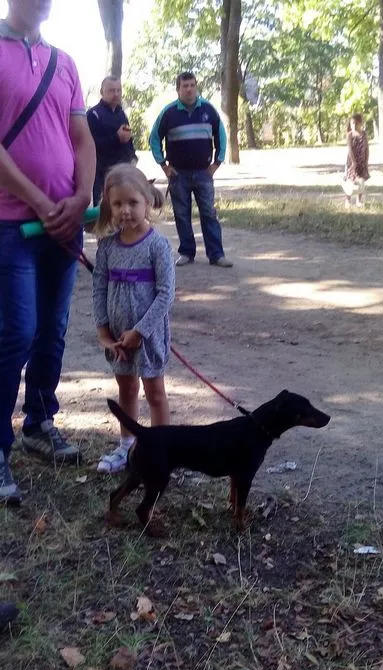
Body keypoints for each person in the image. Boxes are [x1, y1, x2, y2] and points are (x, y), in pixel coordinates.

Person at [0, 0, 96, 505]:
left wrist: (81, 198)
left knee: (52, 329)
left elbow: (81, 138)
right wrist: (40, 201)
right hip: (10, 224)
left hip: (64, 222)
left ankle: (39, 420)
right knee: (15, 330)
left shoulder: (65, 62)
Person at [93, 164, 175, 473]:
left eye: (132, 203)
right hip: (117, 339)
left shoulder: (157, 246)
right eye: (117, 204)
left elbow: (166, 295)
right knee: (126, 390)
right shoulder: (107, 248)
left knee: (155, 393)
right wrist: (103, 332)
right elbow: (99, 289)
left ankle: (162, 452)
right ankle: (127, 448)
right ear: (108, 206)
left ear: (147, 202)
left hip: (148, 337)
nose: (125, 211)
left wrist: (140, 331)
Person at [149, 71, 233, 268]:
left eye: (192, 85)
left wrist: (217, 163)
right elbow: (154, 138)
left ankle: (216, 254)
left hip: (204, 173)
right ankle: (187, 252)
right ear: (178, 89)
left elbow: (221, 135)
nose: (189, 89)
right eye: (185, 86)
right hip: (178, 174)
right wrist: (163, 165)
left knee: (209, 213)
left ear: (196, 86)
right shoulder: (168, 113)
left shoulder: (208, 110)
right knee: (181, 214)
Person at [87, 76, 137, 206]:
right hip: (103, 176)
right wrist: (116, 138)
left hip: (124, 174)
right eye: (111, 90)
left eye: (118, 90)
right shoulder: (93, 115)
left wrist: (133, 156)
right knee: (106, 215)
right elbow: (90, 146)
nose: (116, 94)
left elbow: (128, 139)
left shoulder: (121, 114)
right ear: (102, 92)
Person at [343, 113, 370, 208]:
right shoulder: (350, 135)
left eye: (355, 123)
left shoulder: (364, 134)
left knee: (361, 181)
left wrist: (366, 160)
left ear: (360, 123)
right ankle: (348, 201)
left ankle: (359, 200)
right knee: (350, 181)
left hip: (361, 161)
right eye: (352, 123)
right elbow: (350, 149)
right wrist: (353, 161)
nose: (353, 125)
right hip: (352, 161)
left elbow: (367, 148)